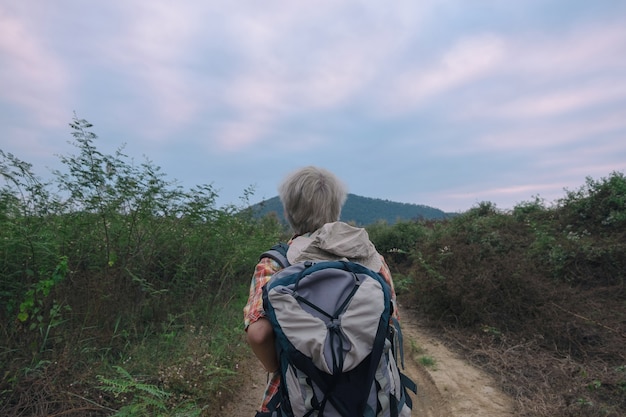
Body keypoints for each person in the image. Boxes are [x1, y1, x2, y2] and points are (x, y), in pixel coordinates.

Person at [243, 166, 399, 414]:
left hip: (300, 402)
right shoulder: (372, 259)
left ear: (288, 211)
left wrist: (277, 365)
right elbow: (390, 323)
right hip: (367, 400)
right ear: (337, 209)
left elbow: (259, 334)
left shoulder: (276, 263)